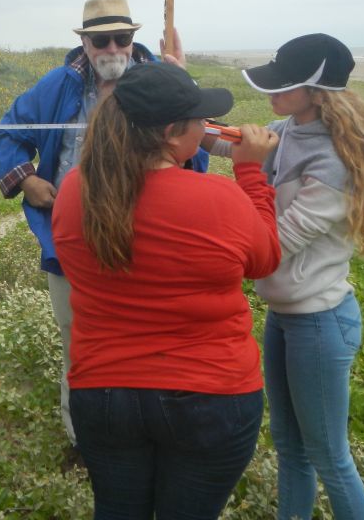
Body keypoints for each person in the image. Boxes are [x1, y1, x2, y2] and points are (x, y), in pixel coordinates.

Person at [51, 63, 281, 519]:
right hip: (212, 394)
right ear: (174, 132)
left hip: (104, 392)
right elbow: (265, 258)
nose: (205, 128)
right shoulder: (220, 199)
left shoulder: (76, 191)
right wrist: (252, 174)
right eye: (200, 121)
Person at [0, 0, 207, 463]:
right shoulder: (59, 86)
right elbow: (7, 132)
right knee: (78, 344)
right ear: (84, 42)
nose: (113, 48)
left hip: (147, 243)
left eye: (122, 38)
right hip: (71, 243)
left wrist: (184, 83)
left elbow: (197, 154)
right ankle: (82, 442)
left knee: (151, 344)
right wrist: (26, 180)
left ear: (133, 39)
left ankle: (150, 436)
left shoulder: (161, 83)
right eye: (101, 39)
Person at [232, 34, 364, 520]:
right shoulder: (287, 128)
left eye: (285, 86)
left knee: (329, 456)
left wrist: (247, 174)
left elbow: (272, 247)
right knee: (289, 446)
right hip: (285, 317)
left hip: (320, 323)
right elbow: (235, 143)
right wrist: (182, 114)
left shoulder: (335, 163)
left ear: (318, 92)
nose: (271, 94)